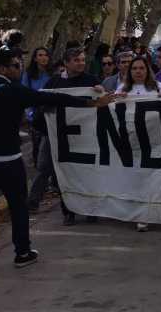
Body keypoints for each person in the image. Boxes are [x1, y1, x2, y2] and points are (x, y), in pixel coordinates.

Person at [0, 50, 116, 277]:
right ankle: (22, 253)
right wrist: (92, 103)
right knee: (19, 208)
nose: (19, 69)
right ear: (3, 69)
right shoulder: (14, 90)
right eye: (15, 65)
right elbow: (53, 99)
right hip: (9, 161)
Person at [28, 48, 104, 224]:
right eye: (77, 60)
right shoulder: (53, 83)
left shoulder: (91, 81)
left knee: (86, 173)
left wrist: (100, 90)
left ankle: (91, 209)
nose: (81, 63)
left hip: (84, 137)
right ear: (66, 63)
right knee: (58, 172)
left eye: (83, 60)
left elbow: (102, 102)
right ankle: (67, 211)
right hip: (55, 136)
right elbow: (41, 104)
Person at [116, 57, 161, 232]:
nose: (138, 71)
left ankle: (147, 214)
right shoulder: (123, 89)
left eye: (142, 68)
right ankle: (136, 212)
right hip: (131, 142)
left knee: (151, 179)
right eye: (135, 68)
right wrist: (117, 98)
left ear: (147, 70)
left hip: (154, 141)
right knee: (135, 178)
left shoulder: (159, 87)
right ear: (130, 72)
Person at [22, 48, 53, 169]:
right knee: (37, 144)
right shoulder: (28, 75)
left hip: (51, 112)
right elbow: (25, 95)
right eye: (40, 55)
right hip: (36, 114)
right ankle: (38, 168)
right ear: (35, 58)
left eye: (46, 55)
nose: (44, 57)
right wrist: (29, 113)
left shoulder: (53, 73)